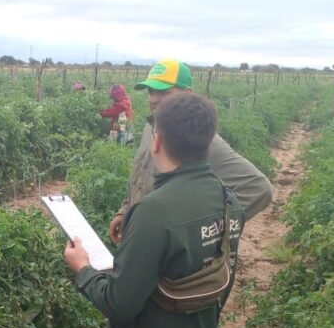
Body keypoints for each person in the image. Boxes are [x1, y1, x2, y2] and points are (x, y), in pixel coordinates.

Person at [64, 91, 245, 328]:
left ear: (157, 140)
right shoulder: (229, 201)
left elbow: (120, 304)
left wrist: (82, 269)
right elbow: (218, 286)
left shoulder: (154, 211)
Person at [108, 59, 272, 244]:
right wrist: (126, 212)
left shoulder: (200, 142)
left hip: (173, 256)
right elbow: (142, 177)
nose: (154, 99)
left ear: (187, 95)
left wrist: (199, 233)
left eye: (163, 92)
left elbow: (258, 188)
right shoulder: (151, 127)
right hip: (142, 240)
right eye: (151, 91)